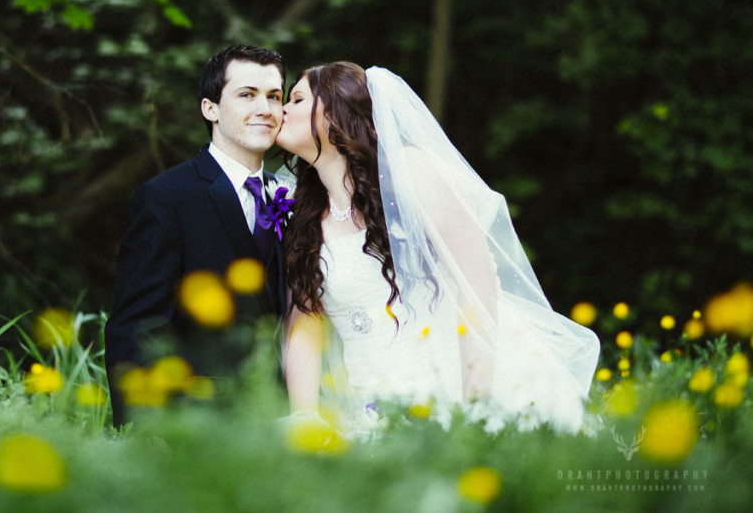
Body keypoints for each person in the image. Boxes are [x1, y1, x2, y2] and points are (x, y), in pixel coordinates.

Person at [275, 62, 600, 433]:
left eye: (296, 99)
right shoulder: (304, 216)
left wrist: (476, 404)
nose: (281, 110)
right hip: (367, 409)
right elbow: (304, 324)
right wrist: (305, 416)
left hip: (455, 384)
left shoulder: (411, 171)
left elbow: (477, 282)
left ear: (332, 113)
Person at [104, 45, 289, 427]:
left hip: (280, 415)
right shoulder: (166, 197)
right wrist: (143, 424)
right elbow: (137, 324)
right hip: (197, 418)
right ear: (210, 109)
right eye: (247, 95)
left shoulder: (289, 197)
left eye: (274, 96)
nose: (265, 108)